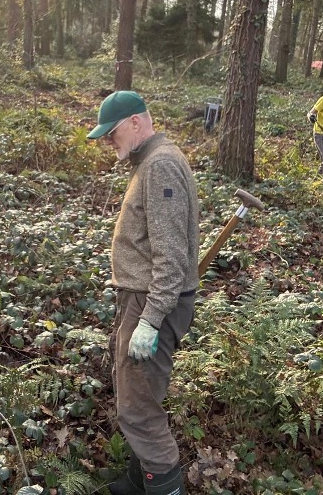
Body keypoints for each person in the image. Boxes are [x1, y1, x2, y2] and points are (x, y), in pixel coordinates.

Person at [87, 90, 199, 495]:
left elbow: (172, 255)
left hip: (151, 302)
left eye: (112, 133)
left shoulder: (161, 165)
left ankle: (164, 488)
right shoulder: (150, 161)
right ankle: (139, 481)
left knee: (138, 410)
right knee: (141, 398)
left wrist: (150, 319)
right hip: (143, 299)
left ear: (137, 122)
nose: (108, 141)